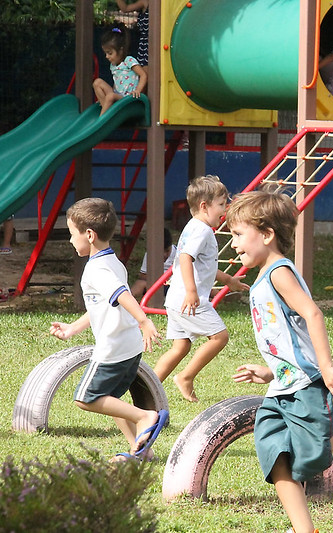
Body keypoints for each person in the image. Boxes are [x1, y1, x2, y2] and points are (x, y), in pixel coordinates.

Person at [226, 190, 333, 533]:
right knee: (276, 458)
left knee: (308, 459)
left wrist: (327, 366)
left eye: (238, 234)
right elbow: (285, 335)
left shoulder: (278, 273)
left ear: (267, 234)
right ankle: (304, 530)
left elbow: (313, 314)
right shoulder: (263, 277)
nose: (233, 243)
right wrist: (270, 370)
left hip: (304, 382)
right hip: (283, 382)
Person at [48, 198, 168, 460]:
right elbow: (102, 305)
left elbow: (122, 294)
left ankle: (145, 417)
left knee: (86, 398)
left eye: (72, 234)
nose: (70, 241)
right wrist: (73, 329)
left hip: (112, 348)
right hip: (129, 346)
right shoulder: (112, 261)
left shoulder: (97, 268)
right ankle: (141, 450)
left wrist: (144, 320)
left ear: (89, 235)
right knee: (110, 400)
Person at [153, 175, 249, 402]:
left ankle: (150, 386)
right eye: (221, 204)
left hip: (177, 299)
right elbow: (185, 258)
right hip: (187, 299)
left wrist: (228, 280)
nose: (224, 210)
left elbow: (203, 265)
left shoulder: (195, 226)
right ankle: (185, 377)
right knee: (219, 337)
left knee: (180, 347)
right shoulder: (202, 231)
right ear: (204, 206)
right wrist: (192, 291)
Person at [93, 23, 147, 116]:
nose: (107, 56)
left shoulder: (129, 61)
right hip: (118, 95)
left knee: (110, 96)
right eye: (105, 53)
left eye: (110, 53)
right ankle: (106, 105)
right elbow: (117, 82)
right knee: (97, 82)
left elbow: (143, 75)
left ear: (121, 50)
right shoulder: (113, 65)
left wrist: (138, 90)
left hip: (128, 98)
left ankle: (101, 118)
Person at [131, 227, 176, 300]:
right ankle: (126, 302)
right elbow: (143, 275)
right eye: (160, 252)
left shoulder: (178, 254)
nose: (164, 255)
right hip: (155, 284)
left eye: (167, 251)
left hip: (173, 286)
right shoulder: (150, 254)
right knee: (140, 283)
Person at [116, 0, 150, 66]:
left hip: (149, 43)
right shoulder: (145, 2)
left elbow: (125, 8)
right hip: (144, 44)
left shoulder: (146, 2)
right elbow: (125, 8)